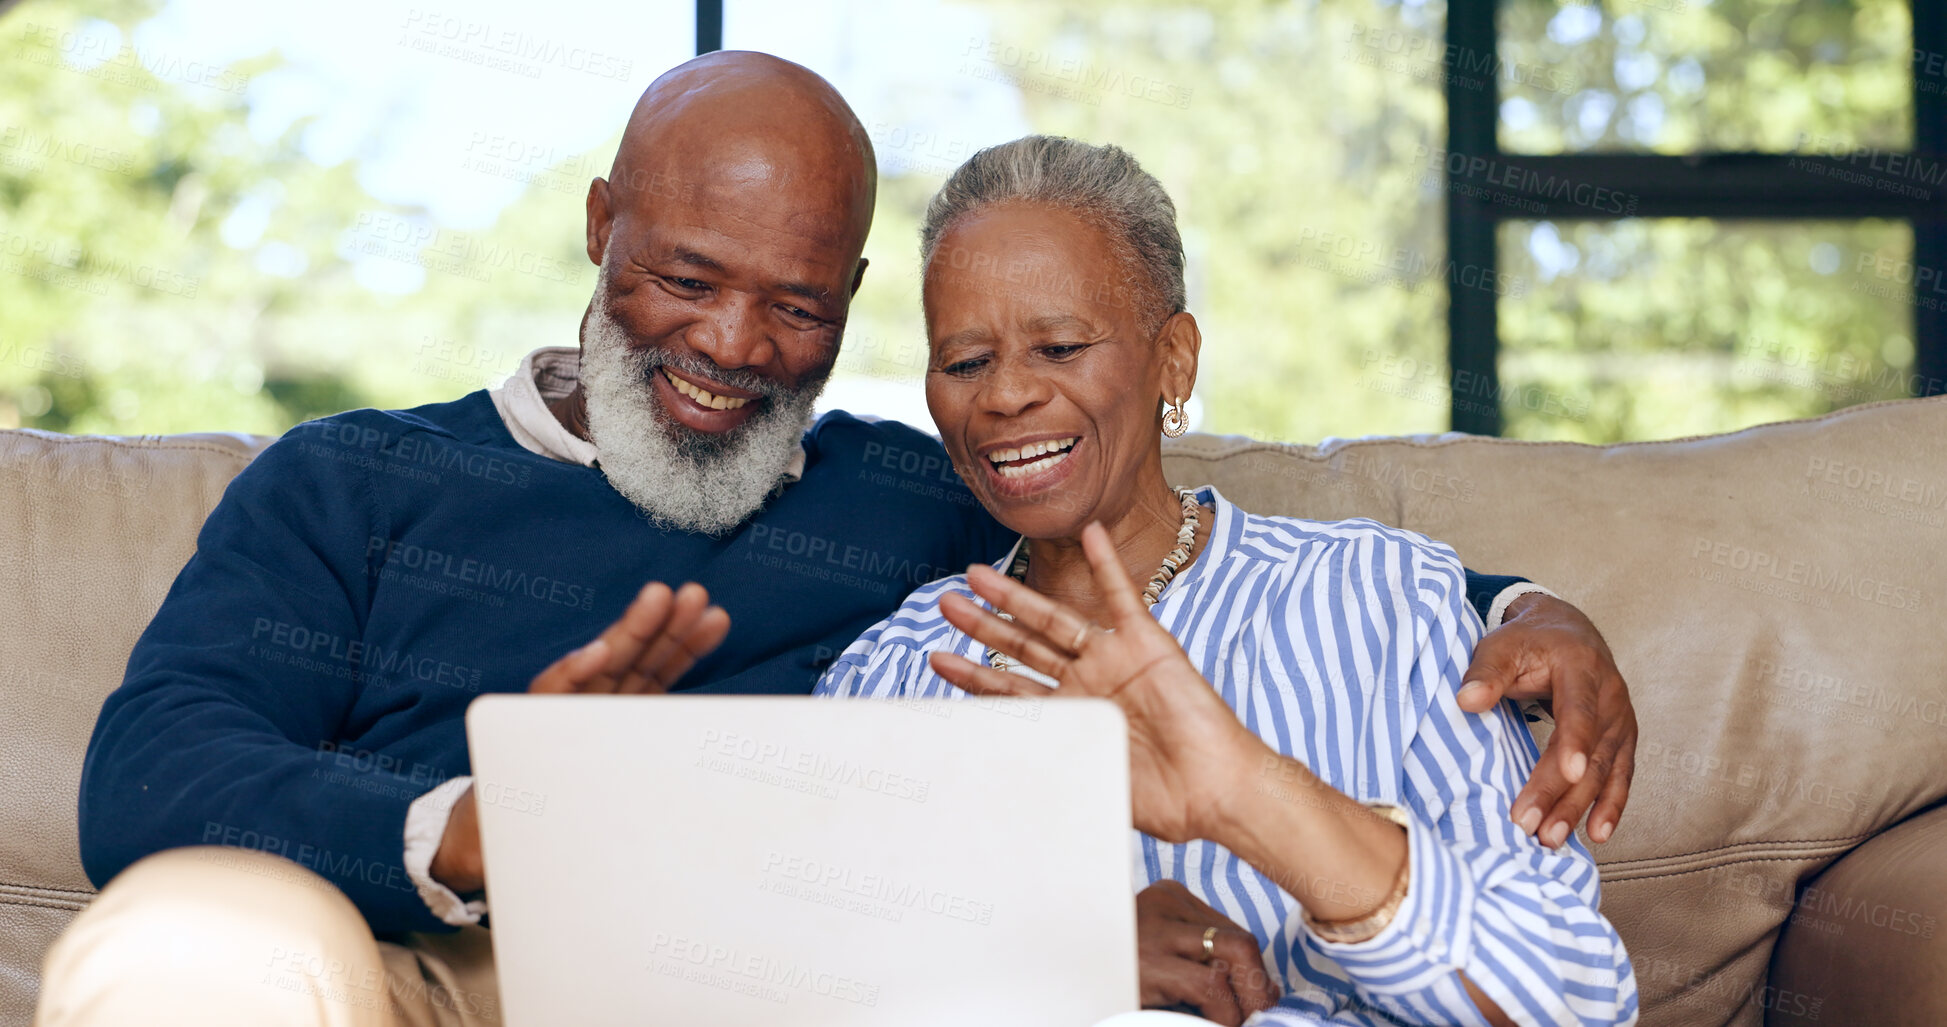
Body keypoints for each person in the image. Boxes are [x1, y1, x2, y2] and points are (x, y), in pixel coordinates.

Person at [44, 54, 1632, 1027]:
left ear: (850, 309)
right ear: (600, 227)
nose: (732, 344)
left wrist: (1534, 604)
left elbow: (1152, 535)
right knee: (188, 938)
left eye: (796, 304)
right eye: (683, 275)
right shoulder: (355, 480)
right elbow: (156, 770)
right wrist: (494, 819)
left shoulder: (918, 498)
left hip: (734, 989)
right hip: (409, 966)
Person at [814, 136, 1637, 1026]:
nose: (1006, 395)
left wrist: (1253, 795)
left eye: (1058, 346)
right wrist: (1056, 959)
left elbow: (1577, 999)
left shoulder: (1382, 604)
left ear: (1174, 359)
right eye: (964, 362)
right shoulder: (887, 675)